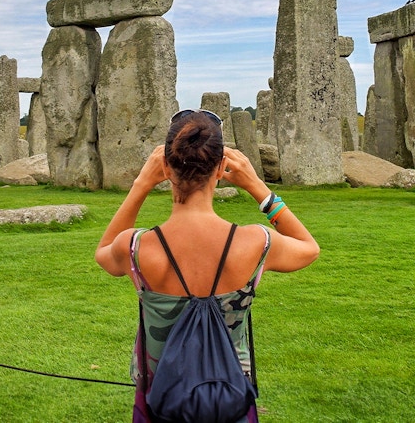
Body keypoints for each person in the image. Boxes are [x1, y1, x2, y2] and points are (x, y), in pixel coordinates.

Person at [95, 109, 320, 422]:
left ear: (165, 167)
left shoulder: (135, 247)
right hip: (230, 392)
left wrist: (141, 184)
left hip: (160, 396)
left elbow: (103, 251)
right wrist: (258, 187)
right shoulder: (256, 242)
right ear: (220, 169)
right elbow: (310, 248)